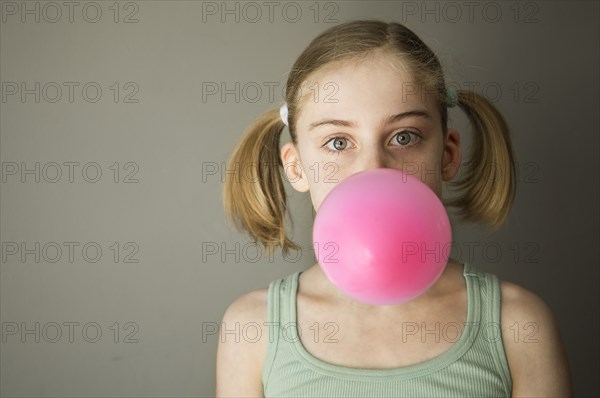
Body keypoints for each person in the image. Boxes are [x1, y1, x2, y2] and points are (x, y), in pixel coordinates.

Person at [216, 19, 572, 397]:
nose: (374, 169)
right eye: (338, 142)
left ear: (448, 155)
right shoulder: (253, 328)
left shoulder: (517, 325)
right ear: (296, 166)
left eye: (404, 137)